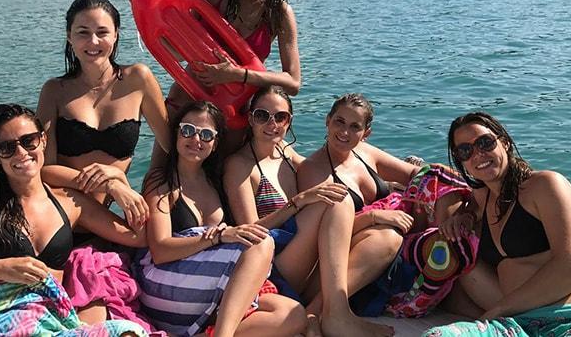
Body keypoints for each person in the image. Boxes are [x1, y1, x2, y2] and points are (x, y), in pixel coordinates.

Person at [0, 104, 147, 328]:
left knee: (125, 331)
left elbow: (139, 236)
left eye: (28, 141)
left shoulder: (70, 203)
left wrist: (118, 184)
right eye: (7, 148)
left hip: (47, 321)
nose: (21, 153)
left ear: (43, 140)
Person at [426, 111, 571, 336]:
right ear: (462, 162)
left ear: (504, 142)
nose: (477, 154)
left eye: (485, 143)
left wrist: (498, 311)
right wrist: (465, 216)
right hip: (524, 325)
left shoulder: (544, 185)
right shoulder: (483, 198)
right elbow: (462, 200)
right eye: (465, 151)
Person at [224, 86, 394, 337]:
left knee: (385, 239)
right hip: (272, 266)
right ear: (250, 118)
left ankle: (320, 313)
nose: (272, 124)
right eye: (262, 115)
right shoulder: (239, 166)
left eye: (280, 117)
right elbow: (250, 234)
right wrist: (299, 201)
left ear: (289, 121)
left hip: (303, 255)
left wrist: (388, 189)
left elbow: (321, 170)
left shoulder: (284, 151)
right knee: (336, 199)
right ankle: (337, 317)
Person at [129, 0, 301, 154]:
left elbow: (293, 82)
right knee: (162, 172)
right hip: (187, 103)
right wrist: (144, 8)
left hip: (232, 115)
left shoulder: (278, 13)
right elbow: (177, 53)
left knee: (221, 174)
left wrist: (237, 75)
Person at [136, 101, 307, 337]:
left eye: (206, 135)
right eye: (188, 130)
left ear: (215, 143)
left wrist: (300, 202)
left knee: (292, 315)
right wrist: (216, 238)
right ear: (176, 133)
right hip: (166, 285)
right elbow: (160, 251)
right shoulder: (161, 182)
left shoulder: (214, 181)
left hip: (204, 282)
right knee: (262, 243)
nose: (196, 139)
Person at [36, 0, 171, 227]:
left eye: (102, 32)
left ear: (116, 34)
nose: (93, 41)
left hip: (110, 217)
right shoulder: (54, 91)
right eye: (83, 32)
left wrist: (152, 184)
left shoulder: (138, 79)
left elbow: (170, 145)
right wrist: (111, 183)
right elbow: (44, 170)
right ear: (69, 36)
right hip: (64, 215)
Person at [297, 94, 420, 328]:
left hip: (369, 264)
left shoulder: (365, 153)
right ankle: (318, 311)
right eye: (339, 122)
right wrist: (374, 217)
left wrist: (453, 179)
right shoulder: (313, 170)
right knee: (387, 239)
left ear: (366, 133)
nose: (345, 132)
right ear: (327, 121)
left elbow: (414, 173)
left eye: (355, 127)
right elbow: (323, 235)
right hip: (329, 271)